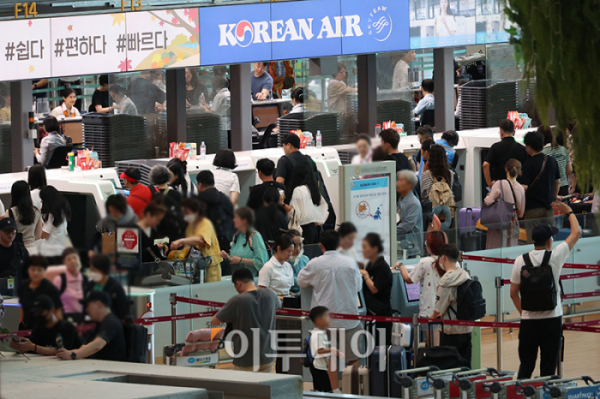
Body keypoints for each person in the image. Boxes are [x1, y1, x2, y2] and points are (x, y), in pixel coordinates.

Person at [510, 202, 581, 378]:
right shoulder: (555, 256)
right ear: (549, 240)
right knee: (548, 369)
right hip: (552, 319)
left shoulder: (520, 260)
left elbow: (513, 293)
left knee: (526, 366)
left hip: (528, 322)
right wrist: (569, 212)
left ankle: (521, 395)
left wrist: (525, 311)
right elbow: (577, 232)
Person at [297, 230, 363, 391]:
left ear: (321, 245)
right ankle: (352, 390)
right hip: (349, 318)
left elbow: (300, 281)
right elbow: (358, 286)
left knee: (329, 359)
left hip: (325, 322)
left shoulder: (315, 263)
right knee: (354, 358)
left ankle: (334, 392)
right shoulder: (350, 262)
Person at [211, 268, 282, 372]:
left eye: (235, 286)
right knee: (265, 387)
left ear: (238, 283)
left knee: (241, 387)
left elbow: (214, 321)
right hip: (268, 356)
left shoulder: (237, 300)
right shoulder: (270, 294)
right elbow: (279, 305)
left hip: (246, 359)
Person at [430, 244, 472, 366]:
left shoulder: (446, 280)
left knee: (449, 367)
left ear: (443, 258)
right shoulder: (465, 275)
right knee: (465, 366)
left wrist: (431, 317)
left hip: (451, 332)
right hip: (466, 328)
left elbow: (439, 310)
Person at [57, 291, 126, 361]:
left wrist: (73, 354)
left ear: (99, 304)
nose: (86, 310)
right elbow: (86, 346)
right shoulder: (101, 324)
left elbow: (97, 345)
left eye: (88, 306)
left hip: (110, 368)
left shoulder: (111, 322)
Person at [519, 131, 560, 242]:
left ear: (529, 147)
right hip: (549, 207)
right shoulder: (552, 161)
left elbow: (524, 188)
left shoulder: (527, 164)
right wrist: (555, 195)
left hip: (533, 209)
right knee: (549, 240)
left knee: (535, 241)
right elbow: (557, 182)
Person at [398, 231, 448, 321]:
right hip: (448, 311)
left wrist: (401, 266)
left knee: (431, 335)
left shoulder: (425, 262)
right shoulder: (452, 262)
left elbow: (409, 279)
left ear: (430, 246)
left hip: (429, 311)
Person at [171, 198, 222, 282]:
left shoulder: (206, 223)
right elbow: (188, 245)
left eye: (187, 213)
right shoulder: (190, 226)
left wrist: (181, 240)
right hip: (194, 268)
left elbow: (201, 239)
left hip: (209, 266)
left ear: (196, 212)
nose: (185, 215)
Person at [10, 295, 81, 355]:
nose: (38, 315)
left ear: (52, 310)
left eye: (41, 312)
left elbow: (61, 351)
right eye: (36, 312)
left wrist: (32, 347)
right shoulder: (39, 328)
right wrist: (19, 346)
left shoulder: (66, 327)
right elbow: (32, 346)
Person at [484, 159, 526, 249]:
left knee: (496, 250)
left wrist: (488, 196)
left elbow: (488, 202)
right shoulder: (521, 188)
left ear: (506, 169)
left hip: (499, 223)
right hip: (513, 224)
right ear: (519, 172)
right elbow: (521, 213)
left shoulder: (499, 184)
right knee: (510, 250)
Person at [195, 170, 235, 266]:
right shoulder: (225, 199)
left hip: (206, 246)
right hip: (224, 244)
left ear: (200, 184)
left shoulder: (198, 201)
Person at [360, 233, 392, 345]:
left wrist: (365, 276)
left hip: (381, 314)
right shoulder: (370, 265)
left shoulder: (382, 267)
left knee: (381, 347)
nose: (362, 250)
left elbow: (375, 289)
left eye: (365, 247)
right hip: (370, 313)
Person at [287, 162, 329, 244]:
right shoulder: (313, 190)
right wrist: (319, 220)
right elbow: (324, 207)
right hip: (314, 228)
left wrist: (283, 205)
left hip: (302, 229)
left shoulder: (298, 190)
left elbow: (295, 213)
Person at [19, 256, 63, 330]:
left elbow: (58, 312)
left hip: (46, 330)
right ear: (28, 270)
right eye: (33, 269)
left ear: (44, 271)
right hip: (27, 329)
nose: (36, 273)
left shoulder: (50, 288)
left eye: (39, 270)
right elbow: (22, 310)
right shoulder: (24, 286)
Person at [221, 207, 269, 277]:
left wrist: (241, 260)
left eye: (236, 218)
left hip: (251, 280)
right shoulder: (236, 236)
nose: (233, 220)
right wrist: (228, 257)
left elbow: (261, 262)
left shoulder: (255, 236)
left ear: (244, 220)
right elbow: (235, 258)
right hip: (237, 279)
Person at [483, 119, 529, 187]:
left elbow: (485, 165)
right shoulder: (522, 149)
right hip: (517, 186)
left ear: (501, 132)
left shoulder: (495, 147)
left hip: (500, 186)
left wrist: (489, 183)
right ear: (514, 132)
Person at [308, 306, 344, 393]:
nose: (329, 319)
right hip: (319, 367)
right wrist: (334, 349)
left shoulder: (317, 332)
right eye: (327, 316)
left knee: (319, 390)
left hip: (317, 366)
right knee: (327, 390)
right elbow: (319, 350)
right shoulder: (319, 334)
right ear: (319, 320)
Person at [86, 254, 129, 321]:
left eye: (94, 270)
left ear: (102, 270)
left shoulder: (115, 287)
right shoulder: (91, 285)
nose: (91, 273)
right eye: (91, 270)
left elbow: (123, 311)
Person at [6, 180, 42, 255]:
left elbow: (6, 233)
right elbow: (38, 235)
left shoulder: (10, 212)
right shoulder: (36, 211)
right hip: (33, 250)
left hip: (16, 251)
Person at [53, 248, 86, 323]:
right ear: (64, 262)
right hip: (66, 319)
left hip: (84, 319)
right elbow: (54, 303)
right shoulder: (60, 280)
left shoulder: (86, 279)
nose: (73, 261)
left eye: (75, 258)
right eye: (69, 259)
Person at [38, 186, 71, 262]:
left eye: (42, 199)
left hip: (49, 252)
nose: (41, 202)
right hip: (60, 250)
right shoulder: (62, 211)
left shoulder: (51, 214)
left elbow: (45, 234)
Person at [397, 170, 424, 257]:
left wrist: (390, 231)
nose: (397, 183)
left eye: (401, 181)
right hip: (402, 245)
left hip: (412, 249)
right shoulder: (401, 199)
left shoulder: (413, 203)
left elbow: (408, 225)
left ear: (410, 184)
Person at [258, 234, 295, 298]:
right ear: (279, 248)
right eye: (288, 251)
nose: (290, 254)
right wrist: (280, 298)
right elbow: (261, 292)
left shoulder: (288, 266)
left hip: (287, 300)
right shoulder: (268, 267)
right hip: (273, 302)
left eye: (291, 251)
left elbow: (288, 290)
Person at [539, 126, 572, 197]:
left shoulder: (542, 153)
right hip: (564, 185)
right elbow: (569, 170)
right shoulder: (563, 149)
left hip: (550, 187)